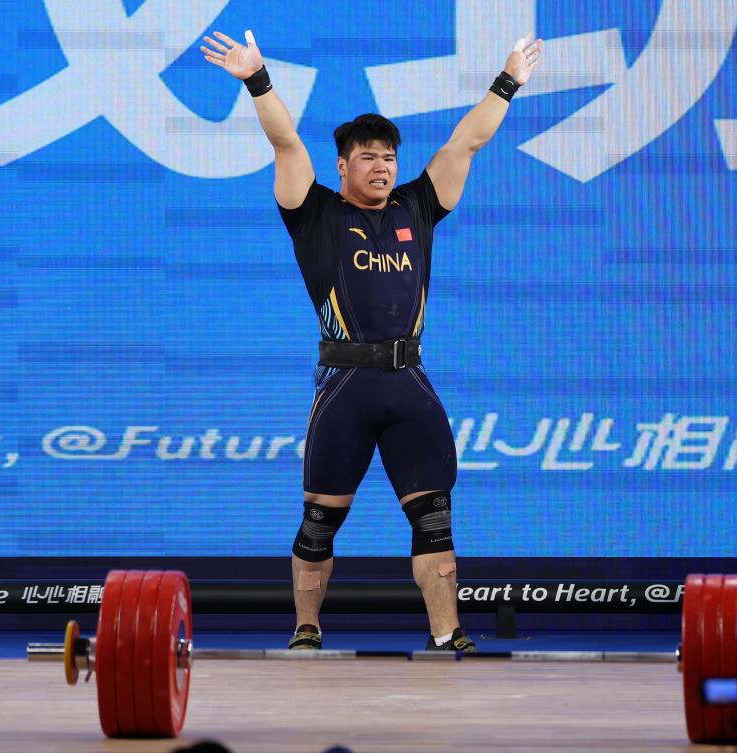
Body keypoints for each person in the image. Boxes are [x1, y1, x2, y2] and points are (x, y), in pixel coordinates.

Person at [203, 28, 541, 651]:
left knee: (435, 520)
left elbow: (467, 140)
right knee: (319, 524)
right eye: (367, 157)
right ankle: (307, 628)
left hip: (409, 386)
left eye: (388, 156)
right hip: (346, 389)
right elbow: (284, 140)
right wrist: (257, 79)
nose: (382, 165)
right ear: (342, 165)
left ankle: (447, 634)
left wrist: (508, 81)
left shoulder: (418, 207)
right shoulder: (314, 213)